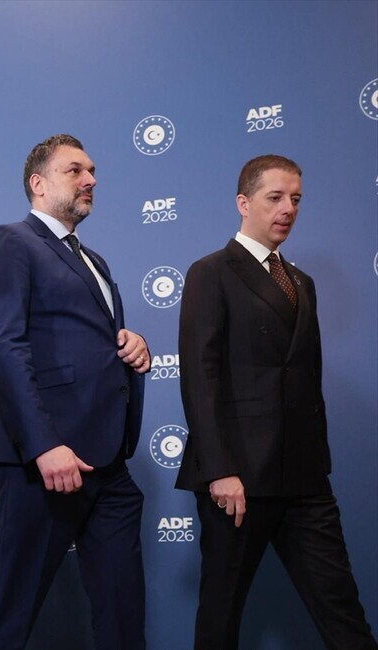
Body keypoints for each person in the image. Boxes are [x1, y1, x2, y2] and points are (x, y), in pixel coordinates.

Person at [175, 154, 377, 649]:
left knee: (343, 611)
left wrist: (317, 465)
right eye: (276, 197)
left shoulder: (302, 282)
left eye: (296, 199)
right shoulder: (210, 272)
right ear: (244, 203)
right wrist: (220, 469)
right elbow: (200, 377)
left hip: (305, 478)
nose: (288, 209)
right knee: (221, 616)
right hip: (238, 478)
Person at [0, 134, 150, 650]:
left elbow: (87, 340)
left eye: (92, 171)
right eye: (75, 170)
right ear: (39, 183)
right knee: (14, 614)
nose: (90, 179)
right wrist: (44, 445)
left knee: (123, 613)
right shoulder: (10, 241)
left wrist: (133, 344)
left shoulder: (95, 260)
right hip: (42, 462)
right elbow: (5, 345)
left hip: (108, 462)